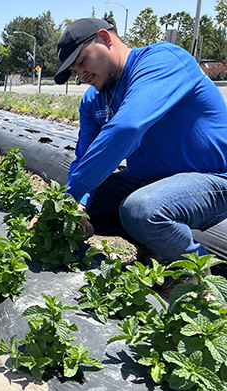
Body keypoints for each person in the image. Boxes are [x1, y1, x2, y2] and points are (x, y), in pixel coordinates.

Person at [53, 17, 227, 266]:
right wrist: (74, 206)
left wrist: (68, 197)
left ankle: (199, 276)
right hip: (152, 181)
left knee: (140, 210)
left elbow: (128, 127)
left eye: (82, 61)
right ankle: (152, 249)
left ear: (104, 38)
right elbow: (85, 157)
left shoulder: (163, 60)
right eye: (74, 72)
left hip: (213, 179)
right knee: (89, 202)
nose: (81, 75)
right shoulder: (93, 101)